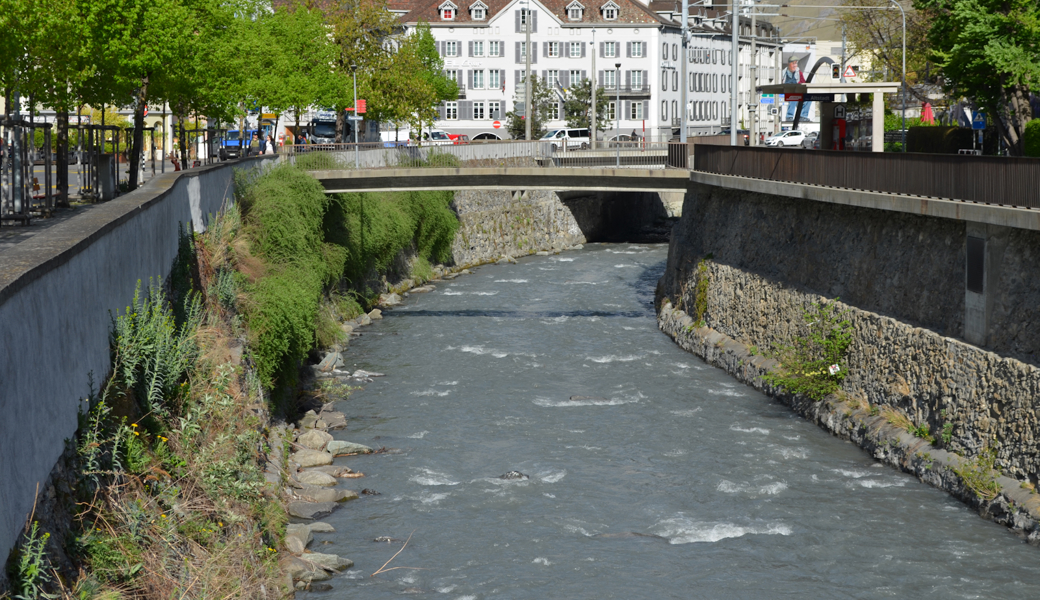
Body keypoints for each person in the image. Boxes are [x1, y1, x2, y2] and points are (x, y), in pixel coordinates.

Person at [783, 57, 812, 121]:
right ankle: (789, 116)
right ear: (788, 64)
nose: (794, 65)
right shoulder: (784, 73)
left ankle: (803, 116)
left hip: (798, 92)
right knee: (794, 97)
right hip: (789, 92)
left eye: (796, 63)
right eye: (793, 63)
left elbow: (803, 83)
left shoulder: (799, 72)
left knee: (809, 99)